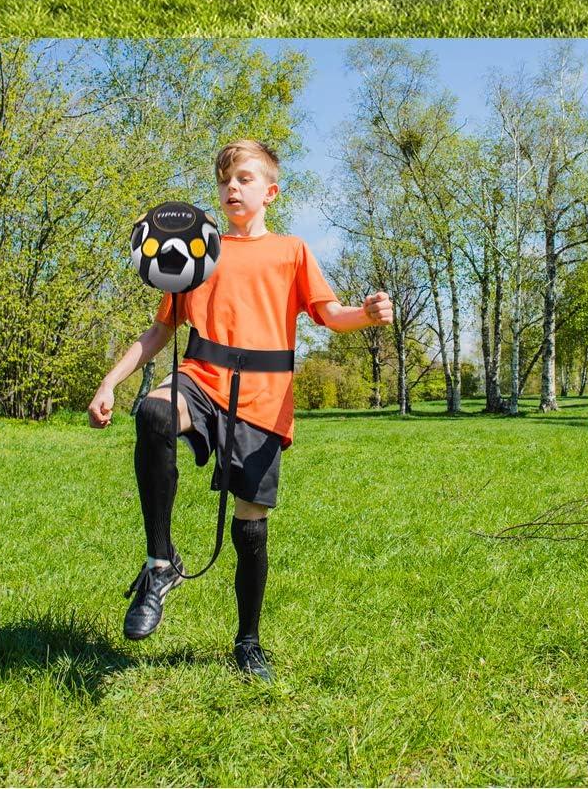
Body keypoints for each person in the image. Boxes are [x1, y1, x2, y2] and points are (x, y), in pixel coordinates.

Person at [88, 139, 393, 681]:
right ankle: (161, 562)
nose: (233, 187)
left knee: (250, 526)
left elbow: (330, 314)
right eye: (226, 179)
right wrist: (112, 380)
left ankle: (248, 642)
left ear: (270, 192)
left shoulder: (291, 251)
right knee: (155, 414)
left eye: (246, 179)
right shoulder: (197, 252)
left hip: (262, 401)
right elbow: (162, 329)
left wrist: (366, 315)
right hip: (201, 379)